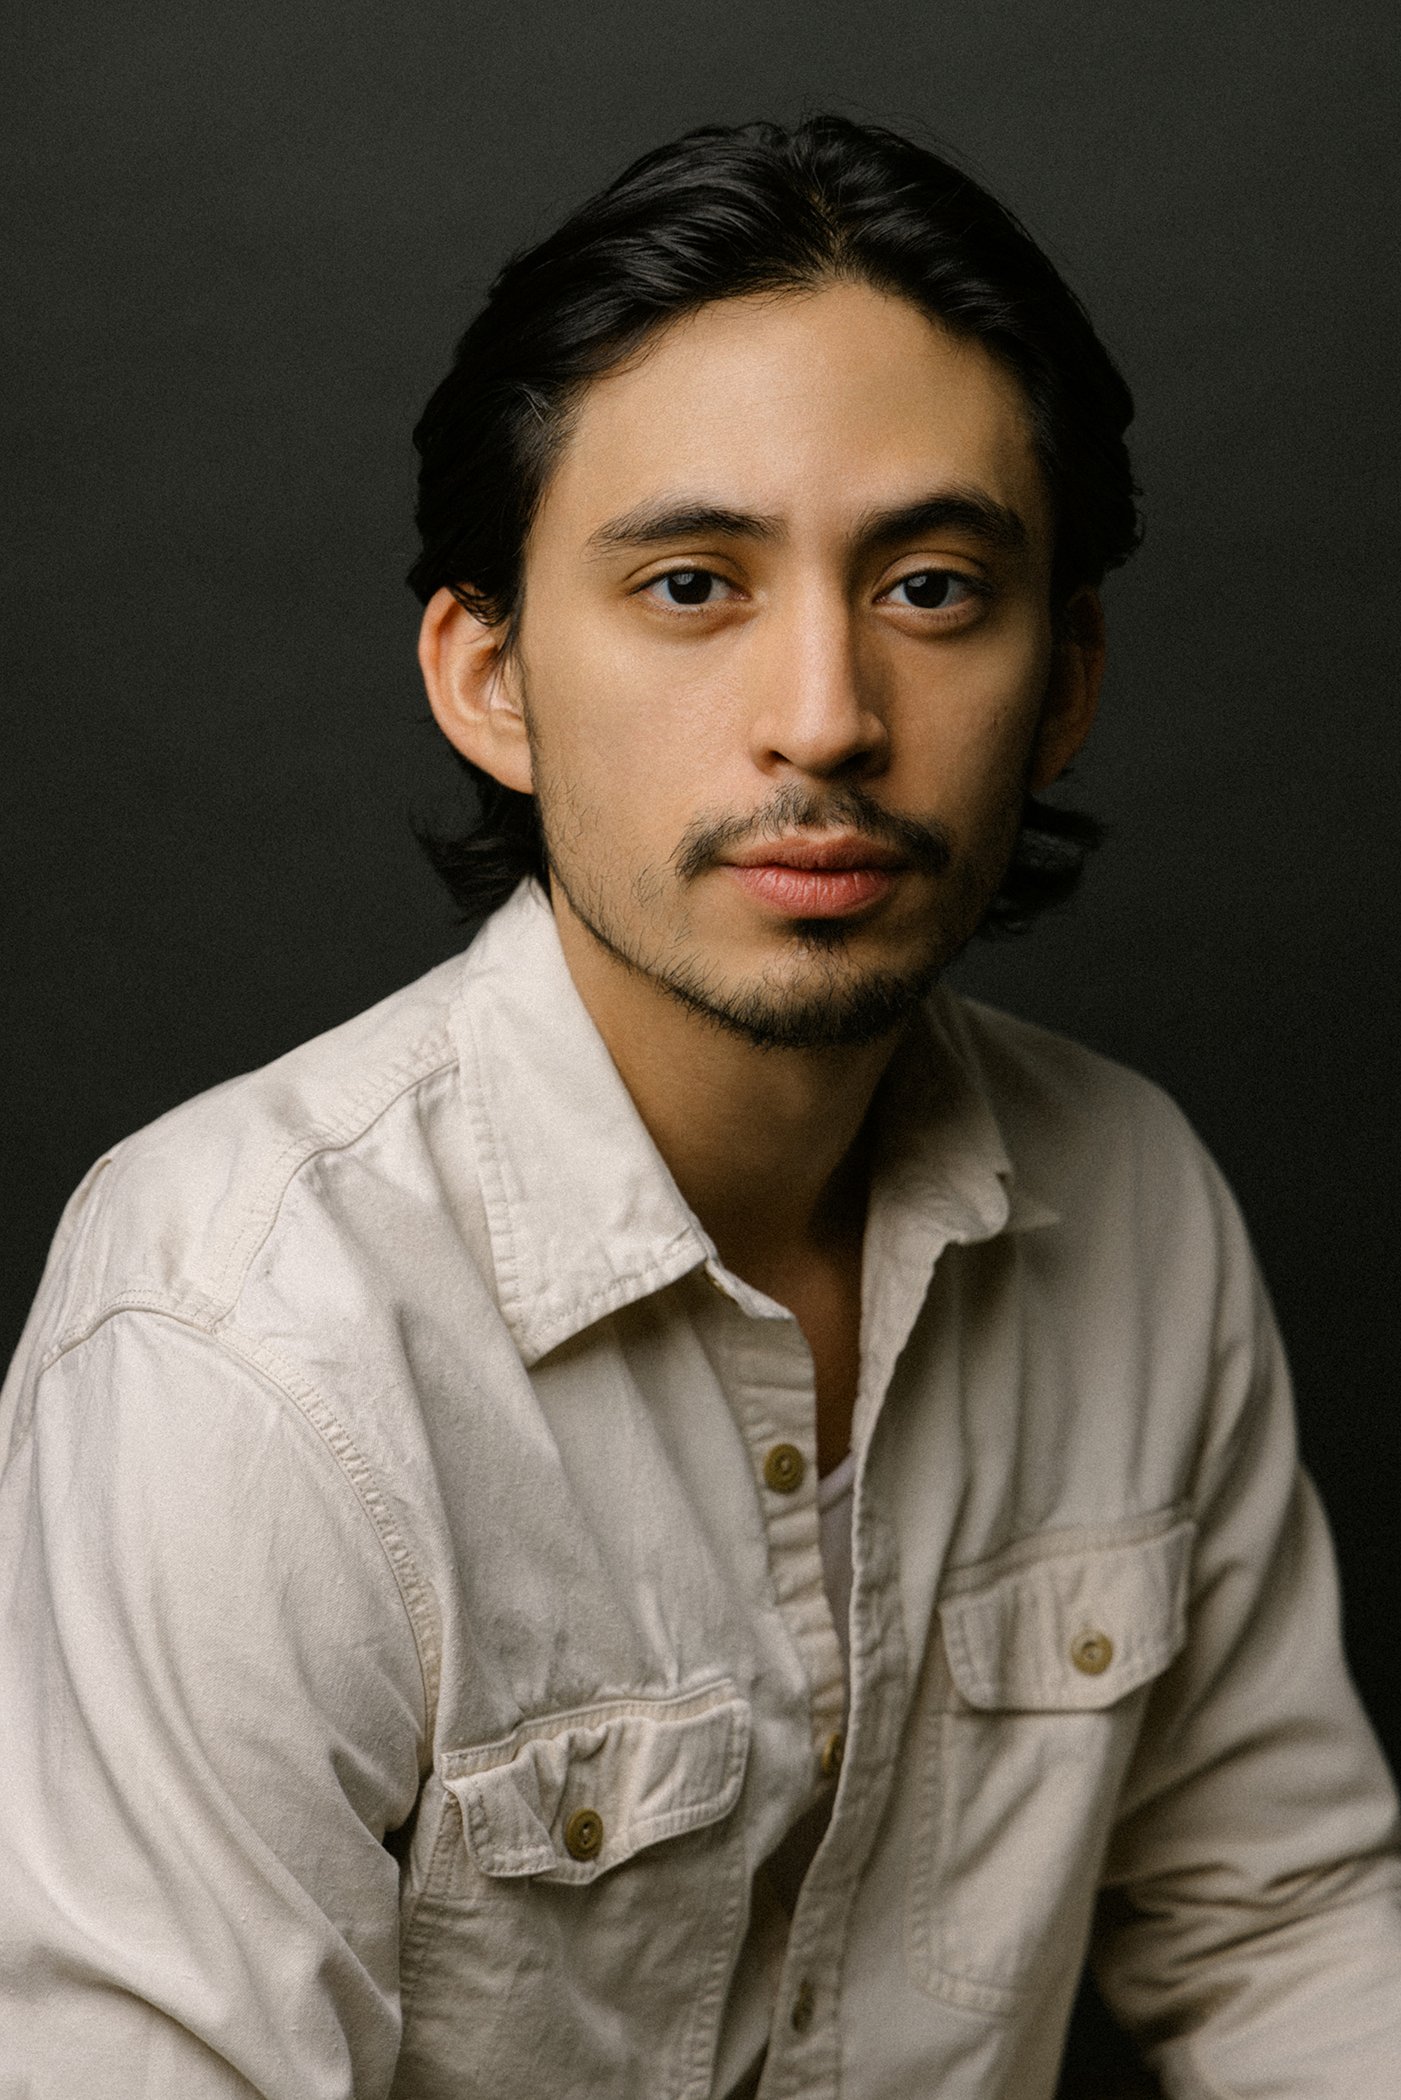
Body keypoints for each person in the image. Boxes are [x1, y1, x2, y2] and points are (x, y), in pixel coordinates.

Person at [1, 114, 1397, 2100]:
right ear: (487, 675)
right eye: (688, 583)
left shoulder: (1133, 1200)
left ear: (1062, 672)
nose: (822, 713)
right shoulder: (234, 1335)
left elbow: (1282, 1931)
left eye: (928, 584)